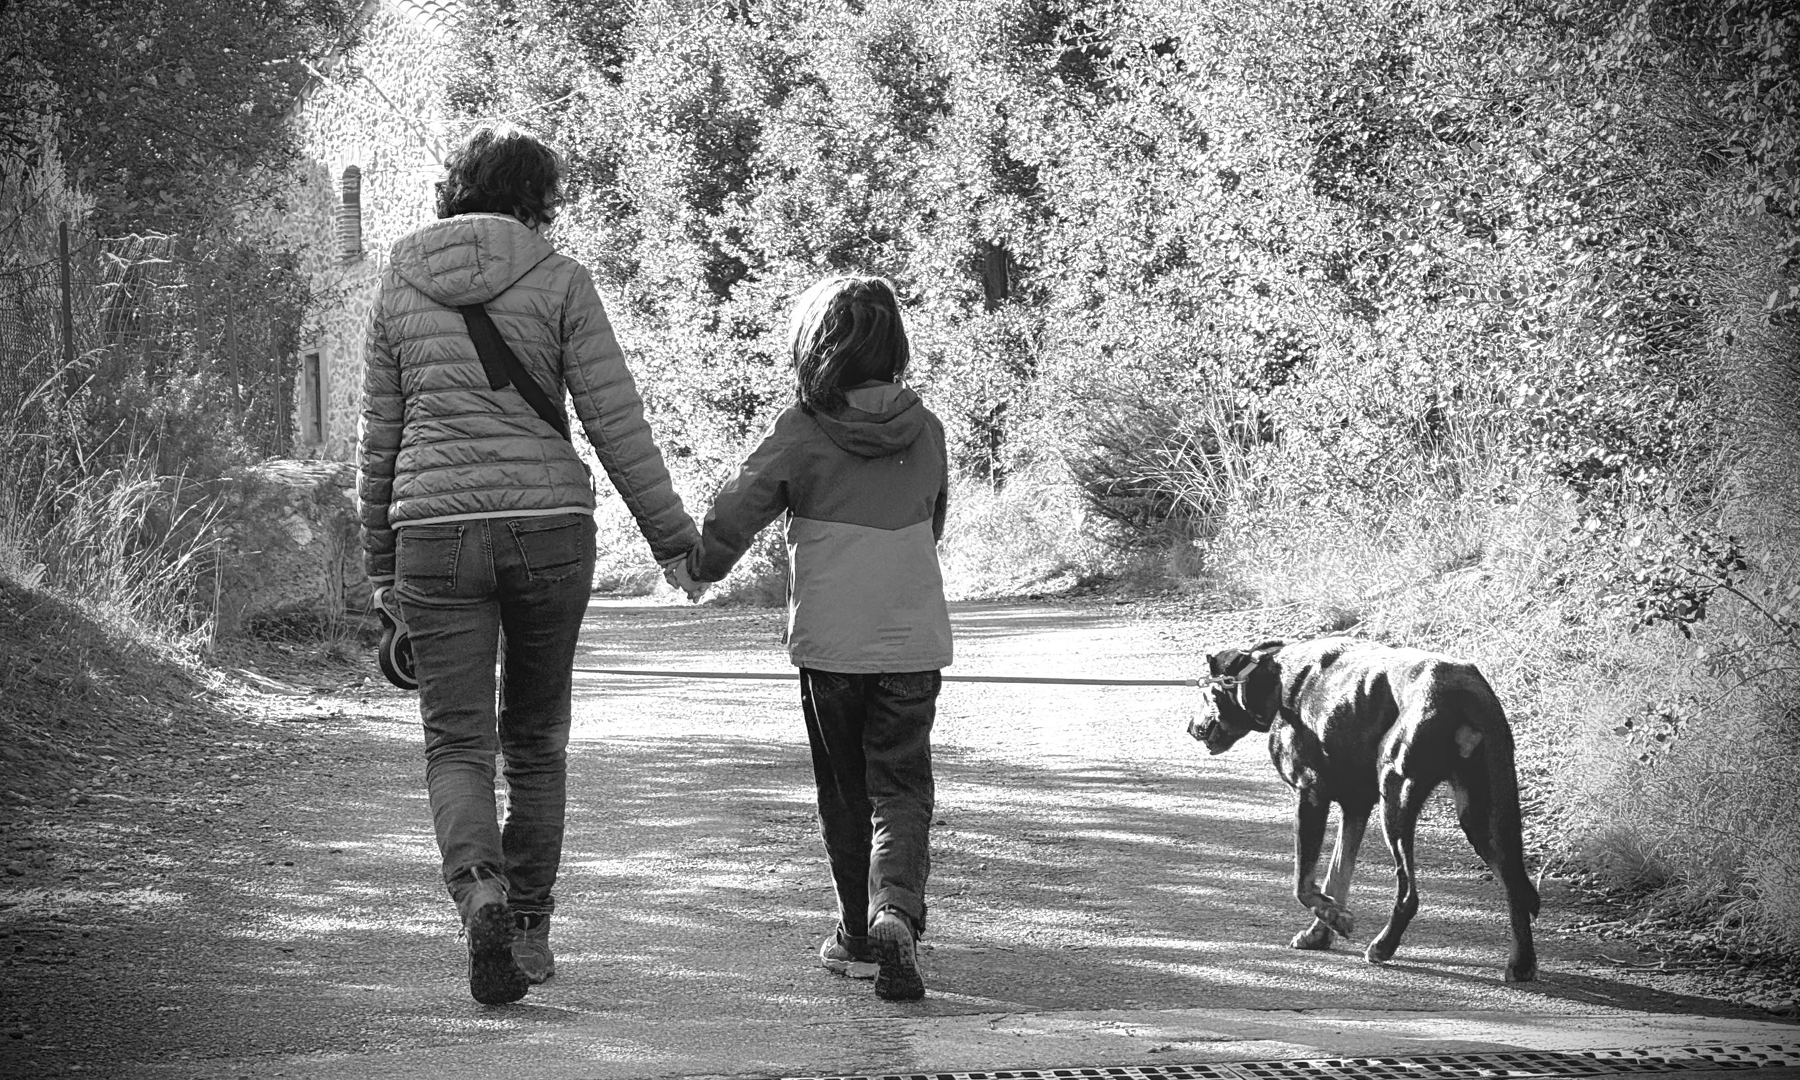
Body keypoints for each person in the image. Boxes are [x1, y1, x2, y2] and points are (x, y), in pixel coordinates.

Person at [358, 125, 699, 1005]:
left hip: (433, 533)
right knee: (537, 740)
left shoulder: (399, 277)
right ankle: (531, 927)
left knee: (457, 742)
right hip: (549, 528)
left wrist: (377, 567)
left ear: (456, 188)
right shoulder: (558, 277)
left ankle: (479, 893)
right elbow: (616, 422)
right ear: (536, 196)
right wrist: (673, 541)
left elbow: (380, 440)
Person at [675, 275, 951, 1001]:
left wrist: (699, 563)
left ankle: (858, 937)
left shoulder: (801, 430)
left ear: (816, 348)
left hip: (832, 647)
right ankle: (897, 911)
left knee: (844, 791)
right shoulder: (927, 430)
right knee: (901, 787)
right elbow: (934, 524)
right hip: (912, 641)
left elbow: (739, 506)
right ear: (894, 346)